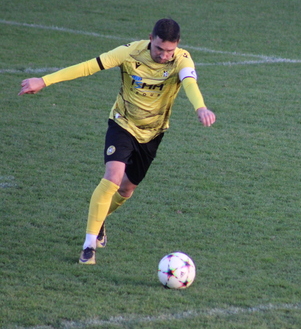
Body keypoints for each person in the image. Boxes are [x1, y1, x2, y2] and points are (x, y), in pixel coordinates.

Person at [18, 18, 216, 264]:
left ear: (177, 46)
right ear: (150, 39)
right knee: (112, 176)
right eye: (159, 49)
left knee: (126, 189)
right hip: (122, 123)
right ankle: (89, 245)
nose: (164, 55)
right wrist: (44, 80)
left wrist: (200, 107)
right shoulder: (129, 52)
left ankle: (100, 221)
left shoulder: (182, 59)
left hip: (153, 132)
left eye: (169, 51)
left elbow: (190, 83)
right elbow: (88, 66)